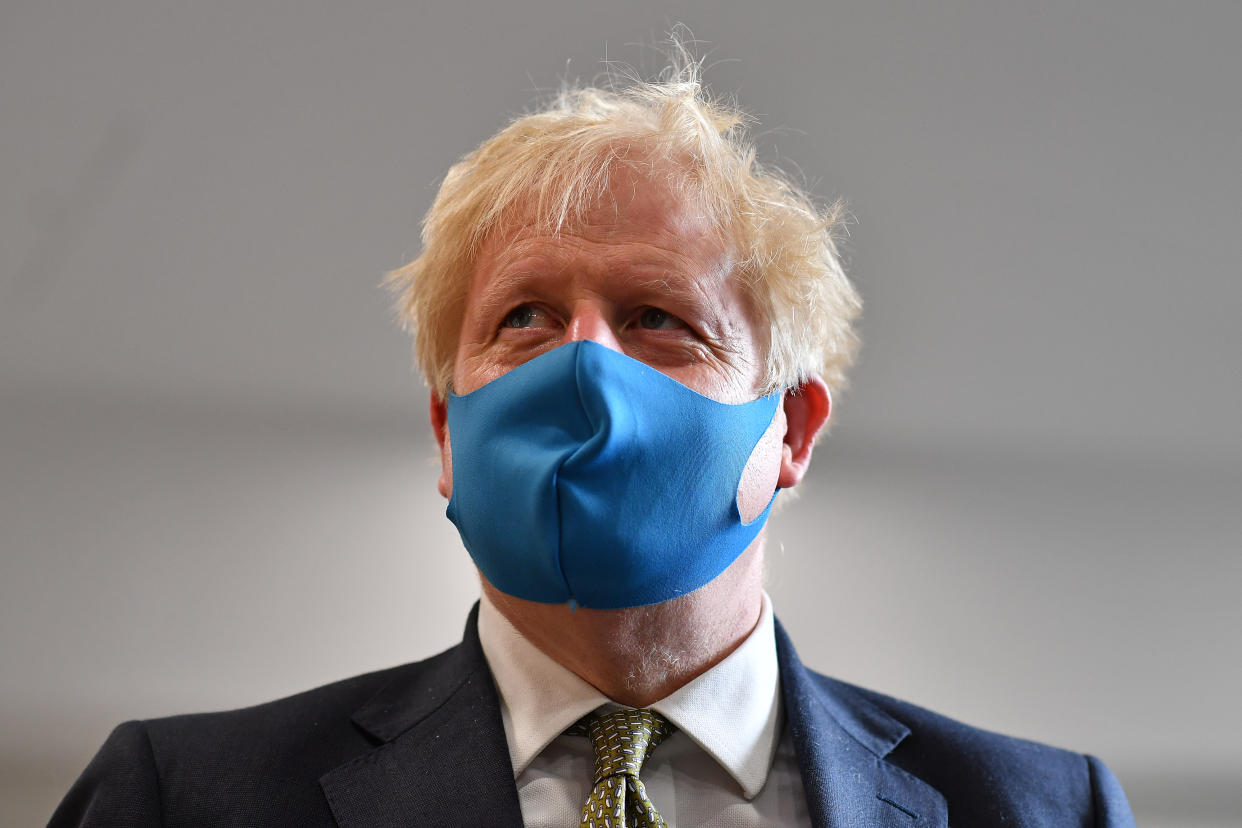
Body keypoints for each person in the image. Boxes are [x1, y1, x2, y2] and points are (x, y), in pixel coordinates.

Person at [51, 58, 1135, 827]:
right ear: (446, 429)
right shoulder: (183, 798)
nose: (583, 366)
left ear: (792, 428)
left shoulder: (1040, 811)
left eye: (657, 319)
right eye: (523, 318)